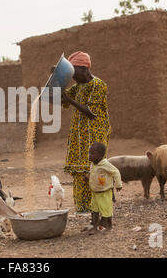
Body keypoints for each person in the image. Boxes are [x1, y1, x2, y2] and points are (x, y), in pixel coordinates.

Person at [59, 51, 111, 214]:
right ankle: (82, 207)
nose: (73, 77)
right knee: (79, 171)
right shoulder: (78, 87)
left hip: (94, 134)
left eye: (73, 73)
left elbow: (91, 112)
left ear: (83, 68)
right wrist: (58, 78)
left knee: (93, 169)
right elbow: (60, 98)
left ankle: (97, 206)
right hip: (79, 135)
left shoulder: (98, 85)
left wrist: (70, 101)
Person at [87, 142, 122, 231]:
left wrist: (118, 184)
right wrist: (88, 177)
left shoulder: (105, 164)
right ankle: (95, 225)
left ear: (100, 155)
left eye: (92, 153)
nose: (89, 155)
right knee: (94, 209)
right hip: (95, 192)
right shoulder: (93, 164)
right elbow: (94, 173)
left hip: (104, 192)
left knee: (106, 209)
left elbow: (116, 172)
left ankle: (108, 226)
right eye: (89, 153)